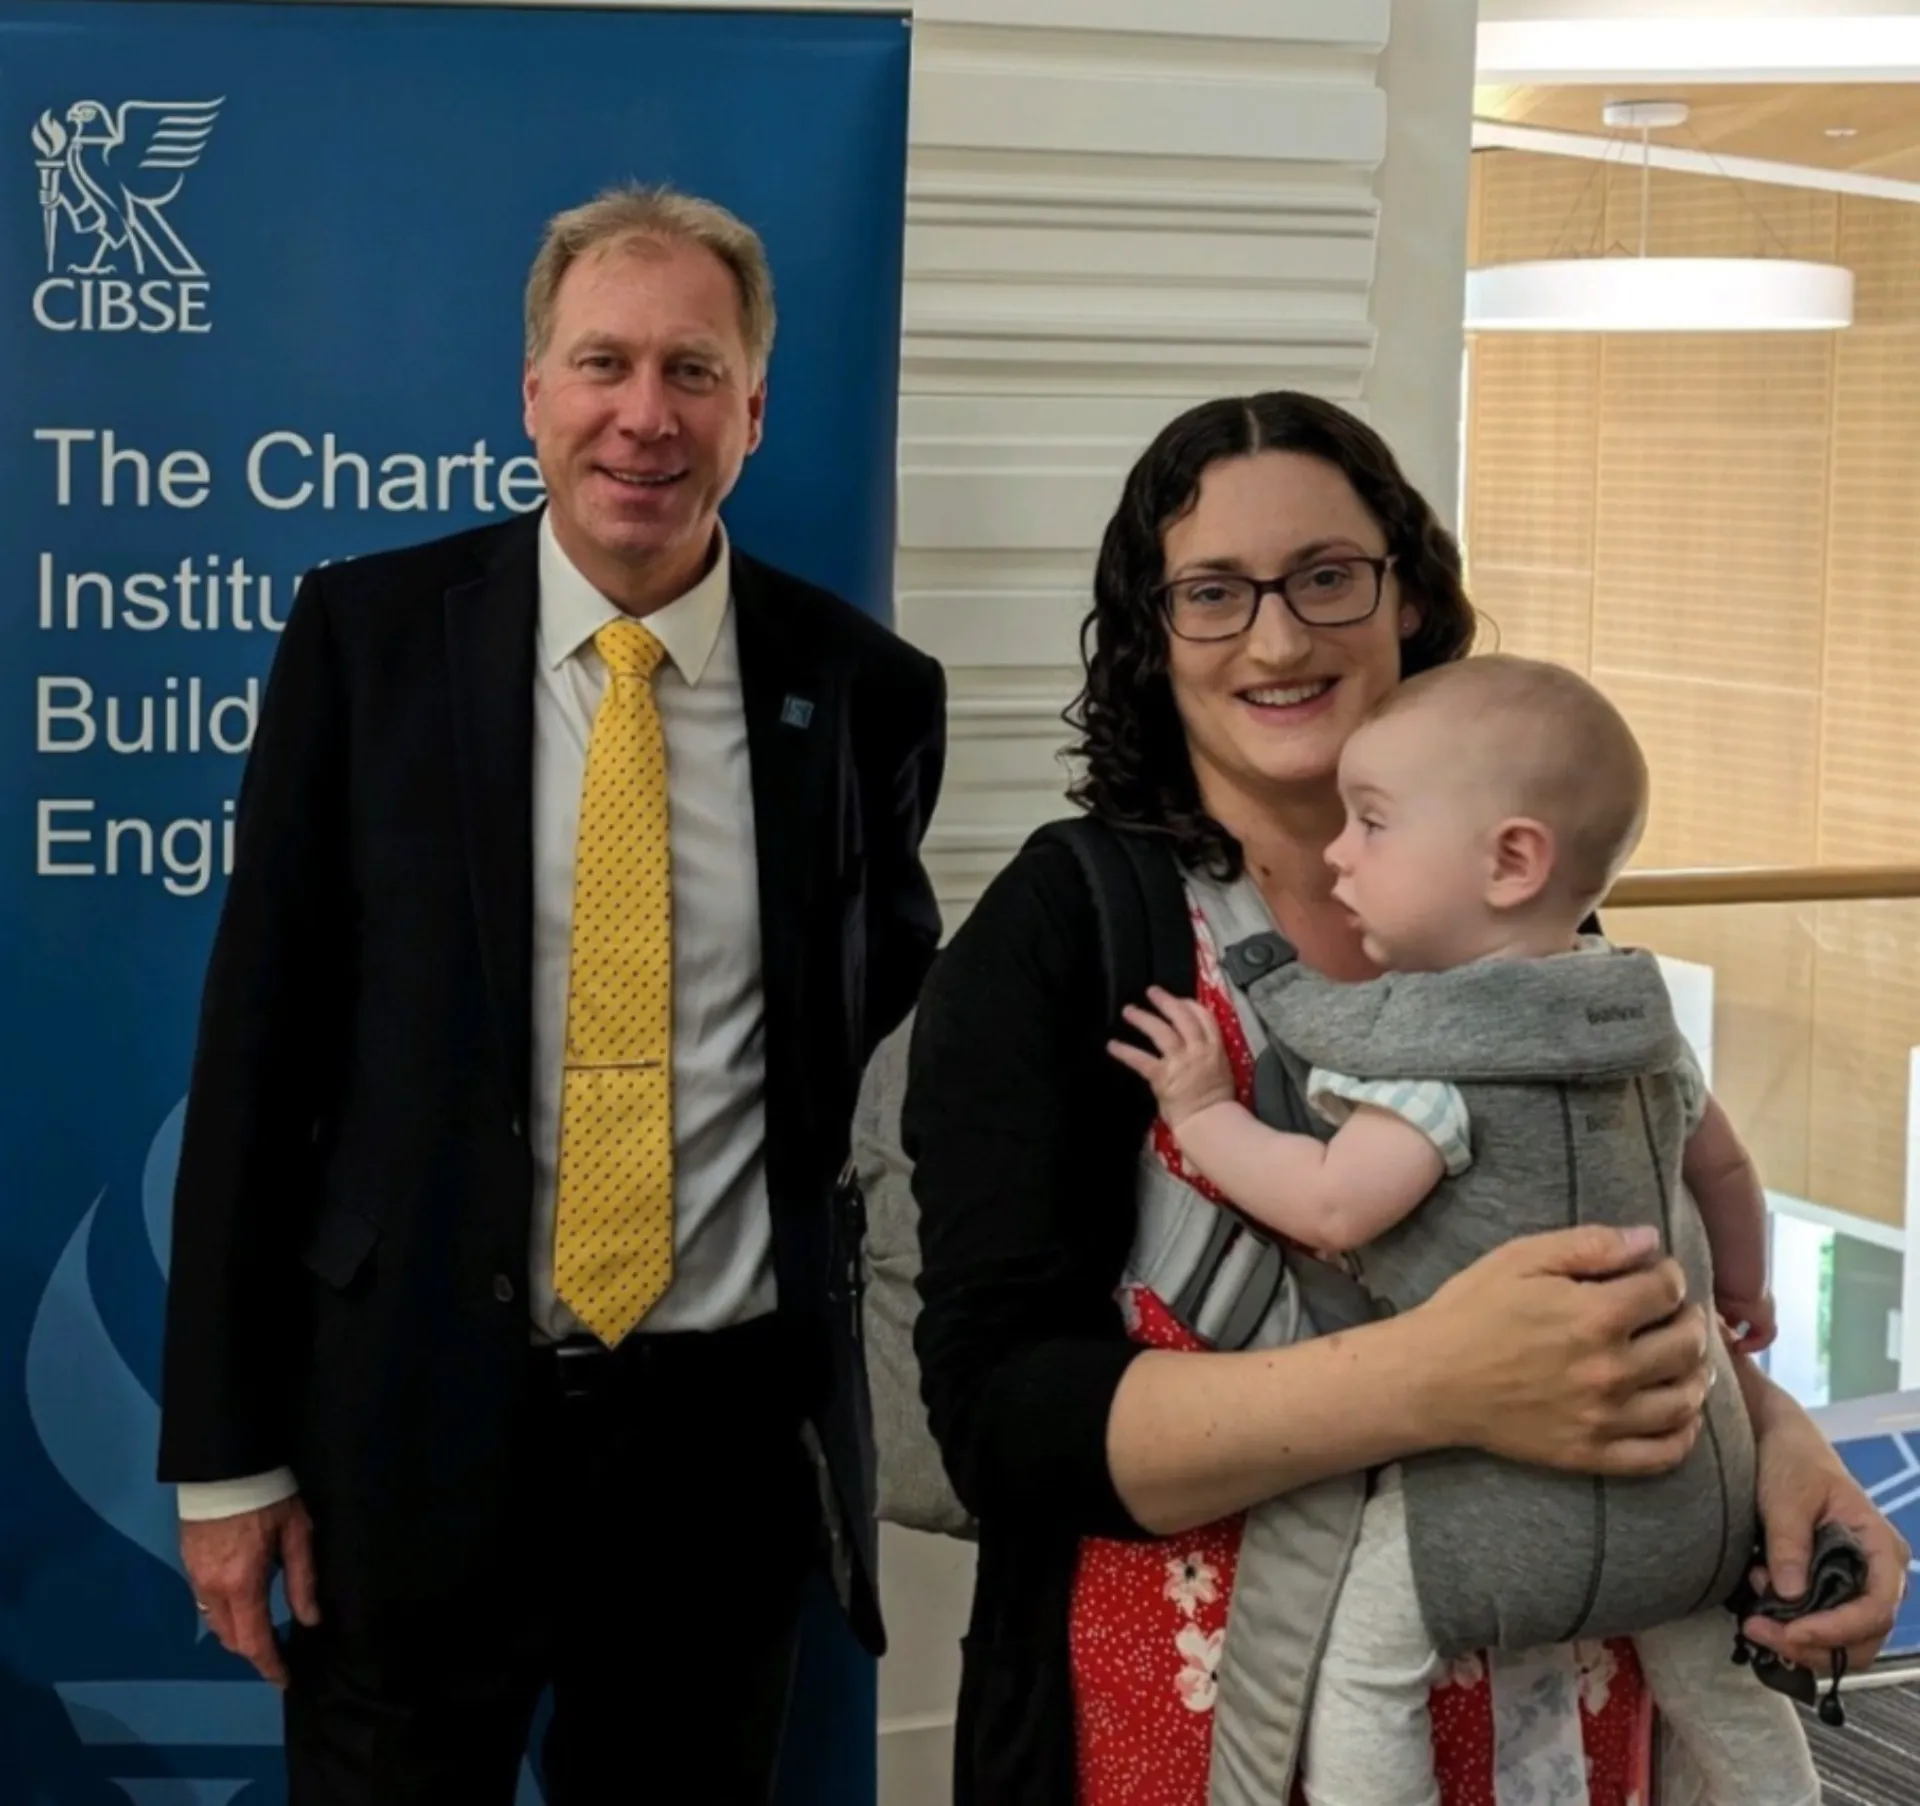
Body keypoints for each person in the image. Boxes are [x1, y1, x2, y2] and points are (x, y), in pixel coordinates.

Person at [903, 390, 1908, 1806]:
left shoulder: (1540, 929)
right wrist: (1432, 1381)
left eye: (1327, 576)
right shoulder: (1064, 932)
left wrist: (1778, 1437)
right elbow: (1004, 1419)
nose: (1277, 635)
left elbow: (1631, 1241)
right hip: (1200, 1731)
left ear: (1410, 596)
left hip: (1574, 1694)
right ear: (1151, 633)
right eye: (1212, 593)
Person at [157, 184, 946, 1805]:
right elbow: (259, 1053)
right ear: (533, 394)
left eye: (691, 370)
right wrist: (227, 1459)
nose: (642, 416)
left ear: (754, 408)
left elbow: (873, 1068)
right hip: (411, 1429)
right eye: (602, 364)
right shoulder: (367, 641)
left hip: (722, 1453)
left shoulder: (862, 692)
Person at [1114, 652, 1815, 1806]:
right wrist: (1747, 1288)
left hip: (1508, 1510)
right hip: (1694, 1496)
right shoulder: (1631, 1022)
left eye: (1372, 824)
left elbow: (1333, 1199)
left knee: (1364, 1664)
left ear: (1511, 861)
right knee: (1724, 1687)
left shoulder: (1436, 1065)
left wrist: (1202, 1114)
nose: (1339, 851)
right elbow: (1725, 1166)